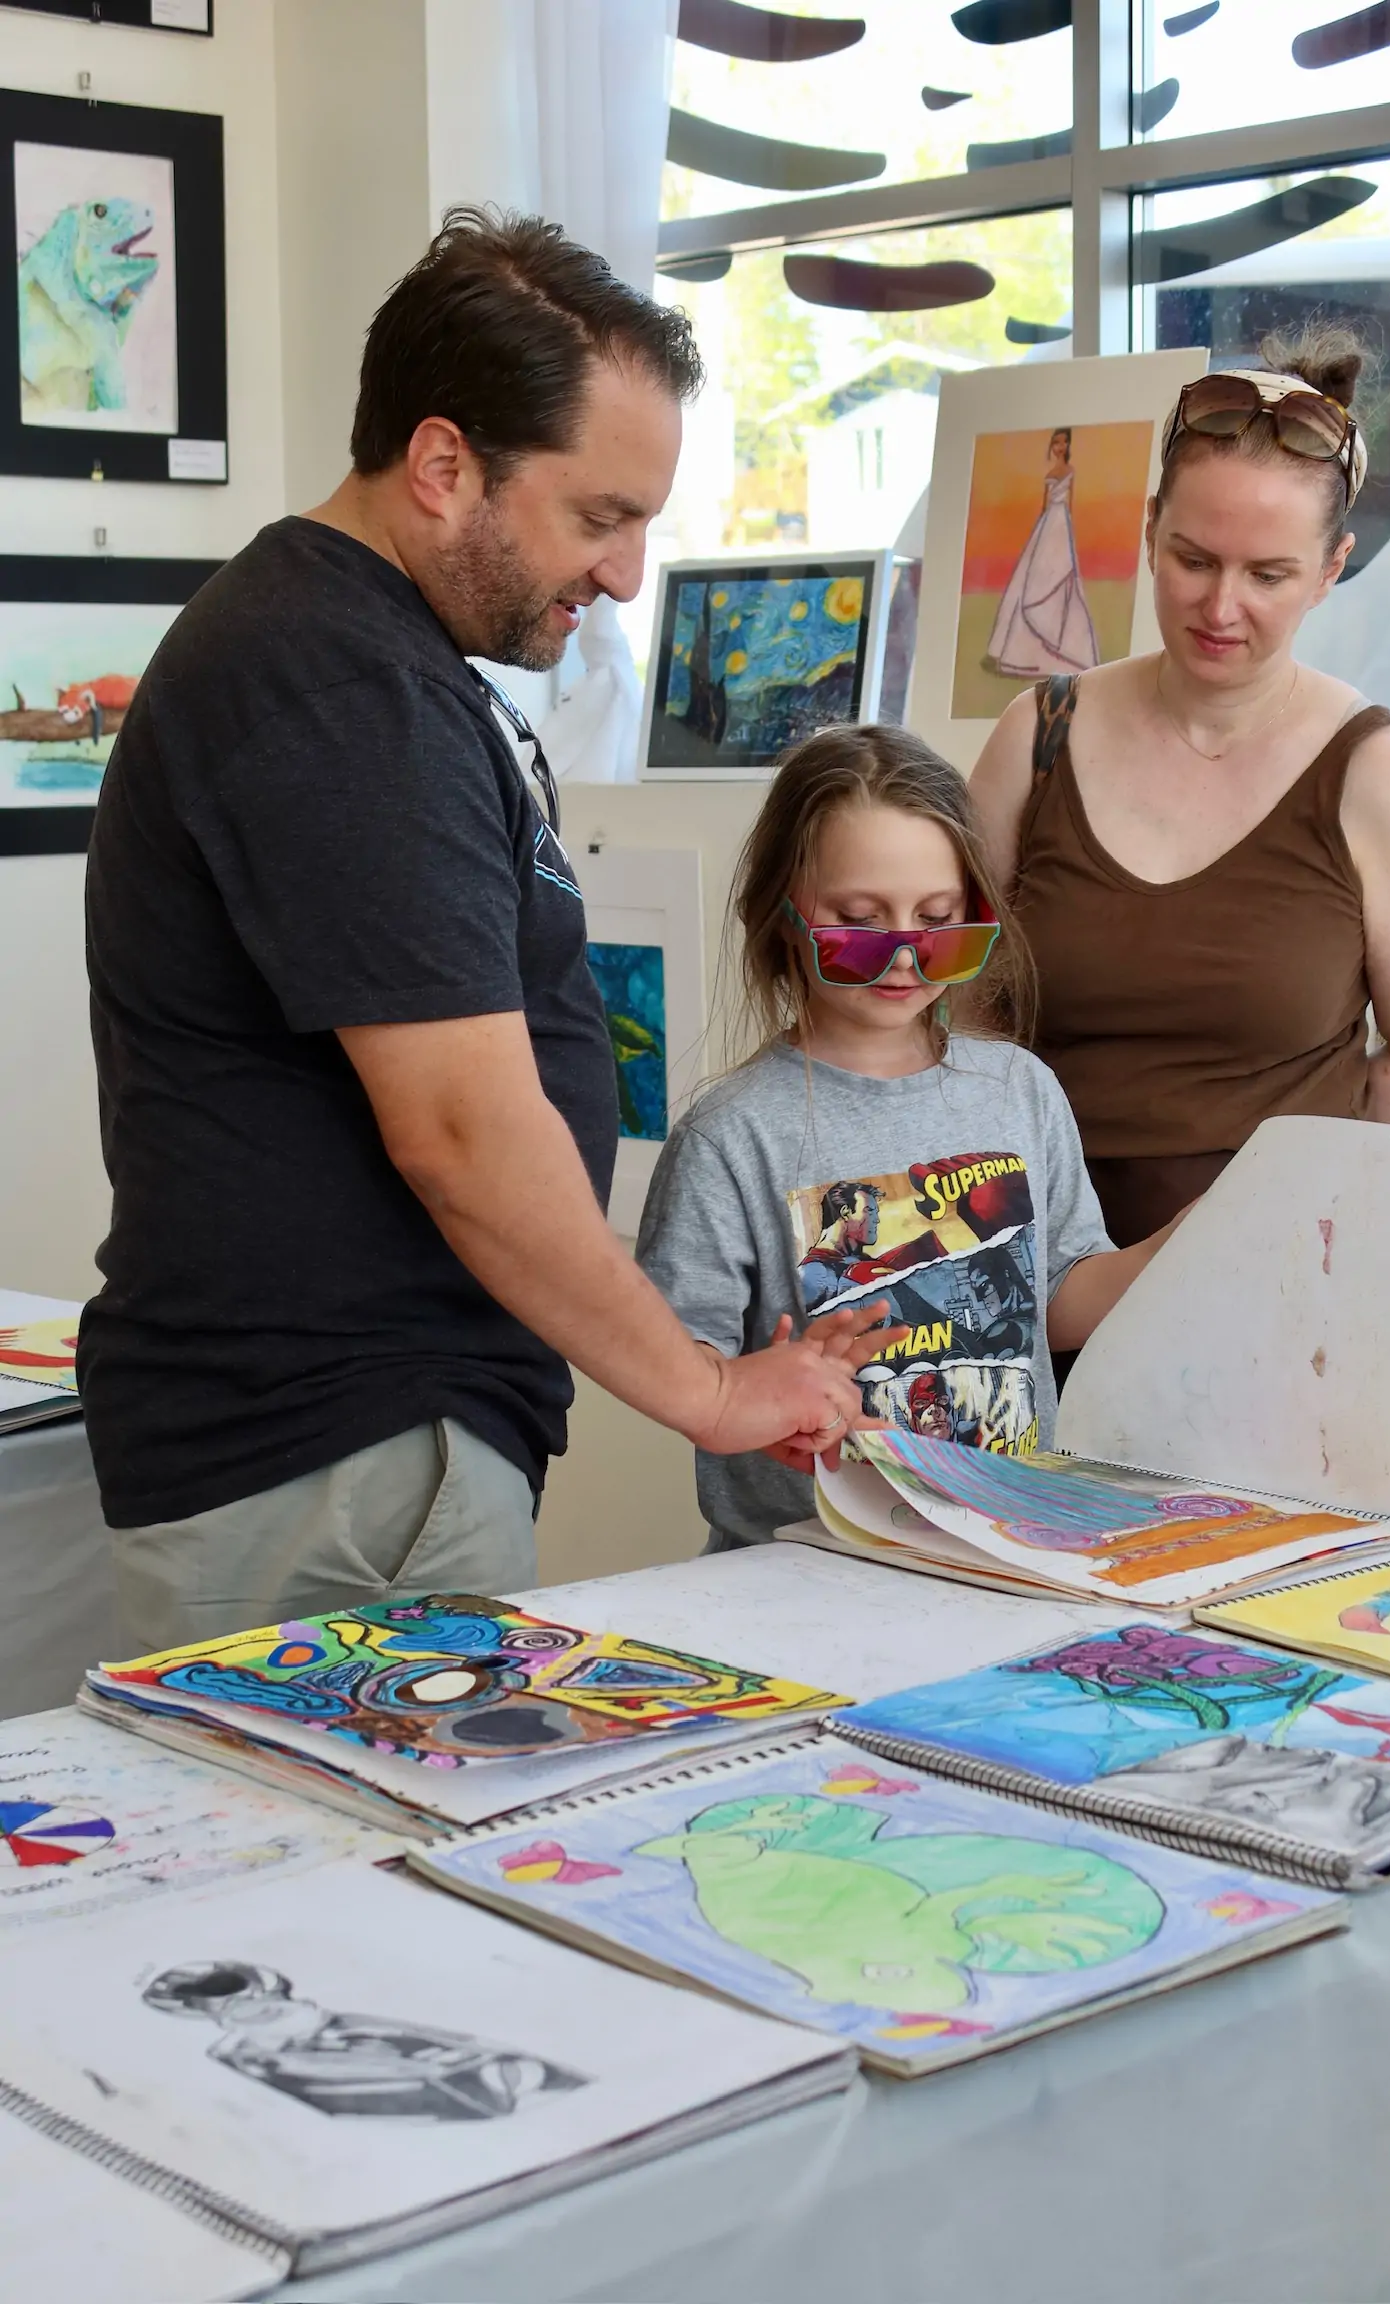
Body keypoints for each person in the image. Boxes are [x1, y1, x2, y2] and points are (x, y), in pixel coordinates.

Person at [82, 208, 882, 1653]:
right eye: (600, 518)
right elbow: (458, 1130)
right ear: (445, 466)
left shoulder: (378, 666)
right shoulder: (338, 688)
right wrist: (706, 1393)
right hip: (334, 1458)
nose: (629, 575)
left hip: (365, 1449)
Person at [969, 326, 1390, 1249]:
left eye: (1269, 574)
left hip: (1272, 1273)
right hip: (1032, 1252)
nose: (1220, 608)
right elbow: (959, 999)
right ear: (1149, 530)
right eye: (1194, 559)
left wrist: (1304, 1195)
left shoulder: (1374, 771)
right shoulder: (1037, 736)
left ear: (1332, 569)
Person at [636, 725, 1185, 1551]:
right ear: (782, 918)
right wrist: (769, 1393)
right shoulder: (732, 1135)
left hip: (1005, 1542)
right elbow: (676, 1368)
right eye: (860, 921)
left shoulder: (1018, 1091)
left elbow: (1059, 1302)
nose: (903, 955)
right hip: (797, 1568)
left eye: (937, 921)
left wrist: (1193, 1239)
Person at [985, 426, 1099, 678]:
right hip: (1047, 524)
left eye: (1063, 442)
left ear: (1068, 446)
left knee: (1061, 576)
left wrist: (1068, 532)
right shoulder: (1050, 473)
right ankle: (1024, 652)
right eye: (1056, 442)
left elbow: (1070, 503)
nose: (1059, 447)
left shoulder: (1070, 472)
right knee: (1035, 577)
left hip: (1062, 524)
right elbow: (1044, 503)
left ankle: (1065, 649)